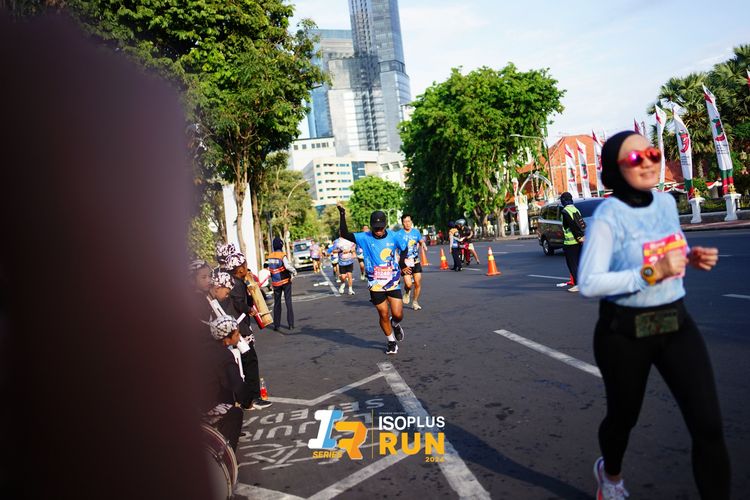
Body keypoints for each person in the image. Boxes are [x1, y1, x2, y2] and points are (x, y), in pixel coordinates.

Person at [578, 131, 730, 500]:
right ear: (615, 169)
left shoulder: (664, 203)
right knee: (623, 418)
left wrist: (690, 257)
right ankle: (610, 474)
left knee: (708, 426)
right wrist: (652, 272)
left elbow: (668, 246)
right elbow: (589, 283)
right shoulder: (608, 217)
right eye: (635, 159)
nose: (647, 162)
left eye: (652, 154)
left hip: (675, 323)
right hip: (625, 331)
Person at [337, 203, 408, 354]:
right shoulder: (364, 237)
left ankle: (395, 324)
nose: (379, 231)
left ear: (385, 225)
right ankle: (391, 342)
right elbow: (344, 233)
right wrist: (342, 214)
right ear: (371, 227)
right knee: (383, 313)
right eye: (376, 228)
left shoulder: (394, 236)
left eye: (381, 228)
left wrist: (402, 264)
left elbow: (404, 248)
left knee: (398, 314)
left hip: (392, 282)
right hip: (375, 283)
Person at [223, 253, 272, 411]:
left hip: (239, 327)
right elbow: (238, 303)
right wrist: (249, 309)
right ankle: (253, 397)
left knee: (245, 362)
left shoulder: (237, 282)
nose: (247, 267)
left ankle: (247, 398)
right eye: (244, 265)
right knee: (250, 361)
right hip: (240, 328)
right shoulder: (236, 284)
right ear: (239, 269)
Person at [201, 315, 248, 452]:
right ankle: (225, 454)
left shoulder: (203, 348)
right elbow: (237, 385)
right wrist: (247, 400)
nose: (239, 337)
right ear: (227, 338)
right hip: (204, 406)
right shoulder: (225, 355)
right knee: (235, 413)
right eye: (237, 334)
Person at [397, 213, 426, 310]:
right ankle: (407, 291)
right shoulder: (399, 234)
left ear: (411, 222)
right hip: (404, 262)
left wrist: (423, 244)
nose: (407, 223)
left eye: (409, 221)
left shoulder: (416, 232)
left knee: (417, 282)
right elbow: (394, 247)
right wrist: (397, 256)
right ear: (402, 223)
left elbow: (420, 240)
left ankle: (415, 302)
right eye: (405, 222)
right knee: (409, 284)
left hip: (415, 260)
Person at [268, 237, 297, 330]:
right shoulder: (282, 255)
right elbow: (287, 266)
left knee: (277, 303)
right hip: (285, 281)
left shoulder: (270, 256)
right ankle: (291, 324)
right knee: (288, 302)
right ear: (281, 245)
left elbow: (271, 270)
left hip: (276, 283)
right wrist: (294, 272)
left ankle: (276, 325)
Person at [560, 192, 586, 293]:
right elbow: (582, 224)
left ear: (563, 200)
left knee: (572, 264)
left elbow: (572, 225)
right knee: (579, 263)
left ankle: (578, 284)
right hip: (578, 242)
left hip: (570, 243)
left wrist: (578, 236)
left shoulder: (565, 211)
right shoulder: (575, 209)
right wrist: (582, 236)